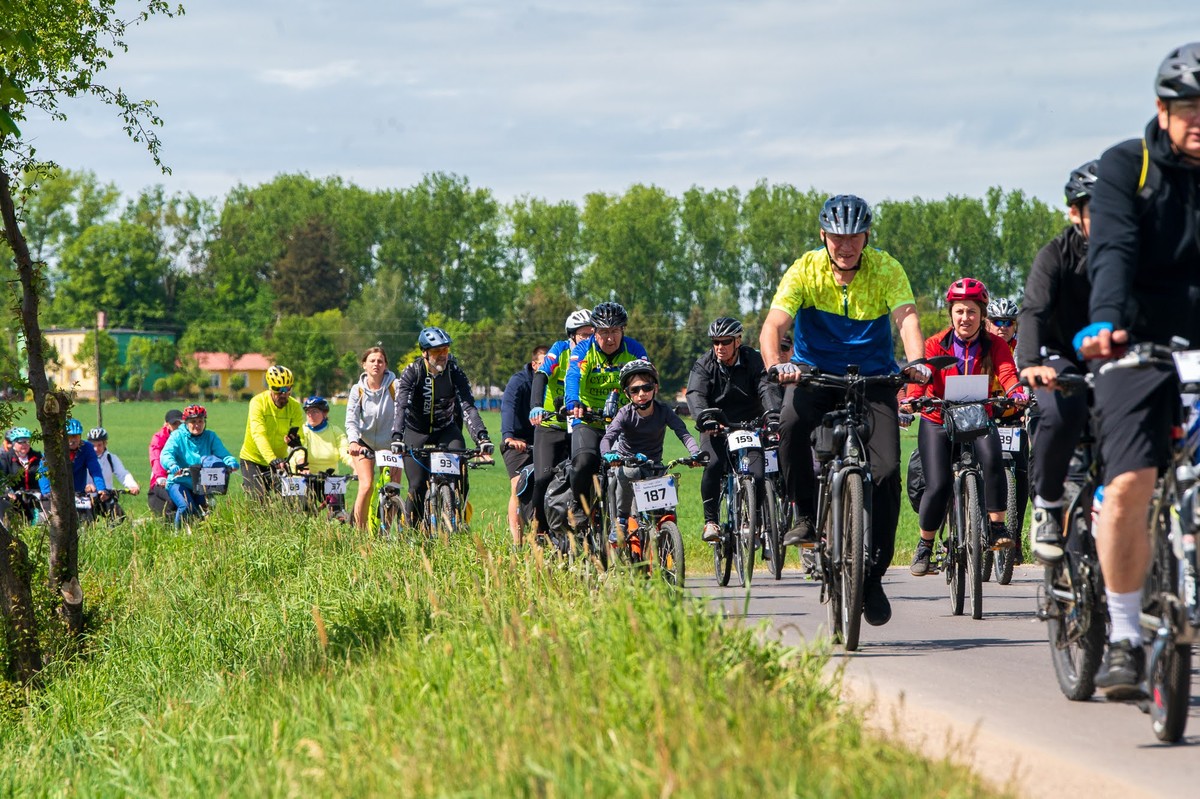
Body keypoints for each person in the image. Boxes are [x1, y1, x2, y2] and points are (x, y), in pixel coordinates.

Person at [1074, 42, 1200, 698]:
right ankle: (1123, 633)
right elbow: (1114, 249)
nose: (1199, 120)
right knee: (1128, 484)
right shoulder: (1132, 166)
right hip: (1136, 343)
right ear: (1162, 109)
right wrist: (1106, 322)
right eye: (1188, 108)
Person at [759, 194, 930, 627]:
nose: (846, 245)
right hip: (814, 377)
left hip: (874, 379)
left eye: (854, 237)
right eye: (837, 238)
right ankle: (802, 515)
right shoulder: (805, 268)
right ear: (824, 236)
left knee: (888, 471)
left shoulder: (886, 268)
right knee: (791, 425)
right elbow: (774, 325)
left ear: (866, 237)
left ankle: (872, 576)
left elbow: (906, 317)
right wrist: (777, 367)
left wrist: (914, 362)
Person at [902, 279, 1027, 575]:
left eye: (971, 312)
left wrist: (1017, 392)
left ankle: (997, 529)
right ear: (951, 313)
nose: (965, 318)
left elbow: (1007, 373)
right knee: (939, 484)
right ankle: (925, 546)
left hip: (977, 417)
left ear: (981, 315)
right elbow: (922, 377)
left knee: (994, 460)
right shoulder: (935, 344)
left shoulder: (994, 345)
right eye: (959, 311)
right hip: (938, 420)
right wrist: (913, 399)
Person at [1018, 160, 1098, 564]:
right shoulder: (1056, 254)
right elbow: (1033, 310)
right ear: (1074, 212)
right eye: (1094, 209)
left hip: (1112, 358)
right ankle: (1048, 502)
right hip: (1059, 356)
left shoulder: (1132, 254)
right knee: (1061, 412)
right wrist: (1031, 361)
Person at [686, 316, 779, 543]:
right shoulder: (704, 364)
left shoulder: (754, 360)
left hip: (750, 424)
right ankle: (711, 521)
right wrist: (705, 418)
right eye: (715, 342)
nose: (719, 347)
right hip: (716, 424)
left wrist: (774, 415)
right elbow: (696, 394)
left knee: (757, 475)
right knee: (714, 464)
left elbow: (766, 387)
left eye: (725, 342)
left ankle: (754, 523)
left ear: (738, 341)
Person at [390, 327, 493, 526]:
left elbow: (468, 406)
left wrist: (482, 437)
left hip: (446, 430)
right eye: (437, 352)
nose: (443, 356)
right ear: (425, 353)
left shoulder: (454, 372)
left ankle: (459, 523)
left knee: (460, 475)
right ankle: (412, 534)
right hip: (416, 431)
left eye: (445, 350)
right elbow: (401, 406)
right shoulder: (413, 372)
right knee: (418, 485)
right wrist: (397, 437)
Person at [600, 360, 702, 549]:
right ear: (627, 394)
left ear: (655, 388)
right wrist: (609, 455)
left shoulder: (664, 411)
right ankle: (621, 521)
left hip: (654, 465)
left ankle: (668, 537)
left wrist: (695, 453)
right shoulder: (624, 413)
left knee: (666, 506)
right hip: (627, 463)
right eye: (635, 390)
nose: (641, 394)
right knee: (628, 473)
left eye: (646, 388)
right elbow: (607, 438)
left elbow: (684, 433)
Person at [564, 301, 649, 507]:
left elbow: (647, 378)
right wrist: (574, 401)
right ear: (594, 331)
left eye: (615, 331)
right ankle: (579, 506)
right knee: (584, 462)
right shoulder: (584, 349)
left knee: (645, 464)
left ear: (623, 330)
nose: (610, 338)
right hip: (589, 419)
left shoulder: (634, 349)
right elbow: (573, 376)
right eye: (604, 332)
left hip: (624, 419)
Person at [529, 309, 595, 538]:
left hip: (581, 423)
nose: (589, 338)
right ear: (572, 336)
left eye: (592, 333)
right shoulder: (560, 350)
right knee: (543, 477)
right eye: (584, 334)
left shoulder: (596, 354)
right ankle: (538, 530)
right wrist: (536, 405)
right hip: (551, 424)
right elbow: (541, 375)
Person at [985, 297, 1029, 557]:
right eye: (996, 322)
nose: (1002, 327)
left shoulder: (1022, 349)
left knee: (1021, 473)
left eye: (1007, 322)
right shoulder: (981, 346)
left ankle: (1016, 537)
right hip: (985, 414)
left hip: (1014, 417)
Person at [345, 346, 399, 529]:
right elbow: (351, 420)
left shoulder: (395, 386)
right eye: (372, 361)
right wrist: (353, 441)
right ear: (364, 365)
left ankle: (385, 535)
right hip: (364, 443)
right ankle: (359, 536)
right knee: (366, 486)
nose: (376, 364)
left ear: (385, 365)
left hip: (391, 444)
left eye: (380, 361)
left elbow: (403, 414)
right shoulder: (357, 390)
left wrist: (401, 440)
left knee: (393, 489)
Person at [160, 405, 239, 528]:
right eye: (193, 422)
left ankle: (202, 536)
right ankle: (177, 536)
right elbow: (166, 454)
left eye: (200, 421)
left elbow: (223, 453)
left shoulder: (210, 436)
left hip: (202, 481)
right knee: (186, 506)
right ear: (186, 423)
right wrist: (172, 464)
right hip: (179, 481)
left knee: (206, 509)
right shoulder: (177, 436)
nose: (197, 425)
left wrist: (230, 462)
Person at [501, 344, 549, 545]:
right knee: (518, 487)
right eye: (544, 364)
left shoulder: (555, 383)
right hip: (519, 441)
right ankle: (517, 543)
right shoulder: (519, 382)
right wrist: (509, 436)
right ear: (534, 364)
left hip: (544, 439)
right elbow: (508, 407)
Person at [239, 365, 304, 501]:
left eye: (287, 389)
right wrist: (271, 459)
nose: (283, 393)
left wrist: (297, 448)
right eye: (278, 390)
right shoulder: (258, 403)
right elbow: (258, 434)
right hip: (253, 459)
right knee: (258, 499)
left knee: (294, 499)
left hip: (280, 461)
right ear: (270, 387)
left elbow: (299, 437)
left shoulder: (295, 407)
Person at [39, 418, 108, 501]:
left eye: (76, 436)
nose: (72, 440)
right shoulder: (54, 449)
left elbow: (95, 470)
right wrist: (46, 492)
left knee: (86, 513)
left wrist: (101, 488)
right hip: (56, 494)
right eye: (69, 436)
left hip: (78, 493)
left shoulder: (87, 448)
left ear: (80, 436)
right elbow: (43, 471)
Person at [298, 396, 352, 474]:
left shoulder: (335, 431)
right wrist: (303, 467)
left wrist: (356, 467)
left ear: (324, 413)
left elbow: (345, 451)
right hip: (305, 477)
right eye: (308, 412)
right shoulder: (303, 431)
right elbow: (299, 452)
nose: (310, 415)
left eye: (314, 411)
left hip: (330, 479)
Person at [0, 427, 43, 524]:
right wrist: (8, 492)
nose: (24, 445)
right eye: (20, 442)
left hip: (35, 496)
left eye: (27, 442)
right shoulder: (6, 458)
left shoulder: (37, 456)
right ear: (14, 443)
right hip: (15, 496)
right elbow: (2, 477)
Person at [148, 409, 182, 519]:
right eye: (174, 423)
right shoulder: (159, 438)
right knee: (173, 501)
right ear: (167, 424)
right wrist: (160, 476)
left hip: (182, 477)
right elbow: (156, 458)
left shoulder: (185, 436)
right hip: (163, 480)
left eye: (180, 423)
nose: (177, 426)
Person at [87, 427, 140, 495]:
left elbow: (123, 474)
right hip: (86, 498)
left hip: (107, 496)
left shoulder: (111, 458)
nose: (96, 449)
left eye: (99, 445)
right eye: (93, 445)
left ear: (105, 444)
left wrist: (132, 485)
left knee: (115, 506)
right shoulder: (84, 459)